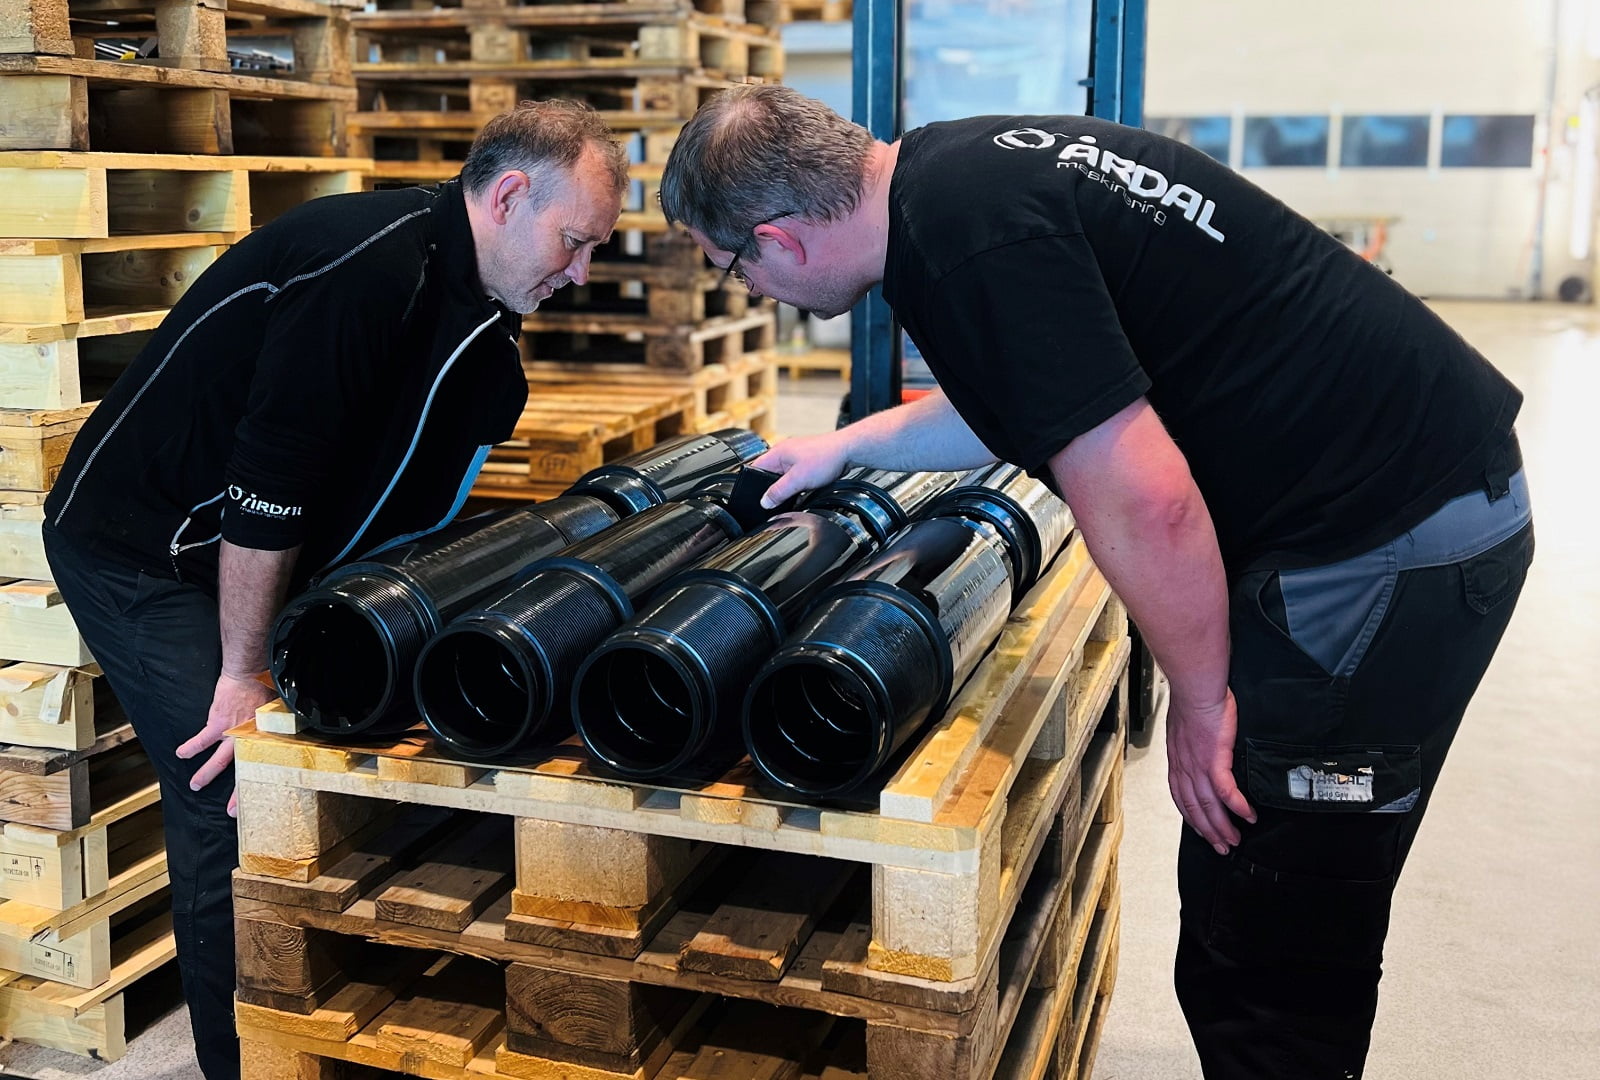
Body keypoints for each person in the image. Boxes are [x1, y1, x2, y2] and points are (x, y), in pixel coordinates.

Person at [659, 85, 1533, 1079]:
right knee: (1252, 914)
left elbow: (1147, 502)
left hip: (1387, 539)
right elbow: (1036, 388)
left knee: (1269, 936)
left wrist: (1200, 698)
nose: (749, 290)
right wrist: (844, 447)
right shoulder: (952, 177)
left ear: (778, 238)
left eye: (731, 265)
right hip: (1404, 495)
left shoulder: (967, 242)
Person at [41, 100, 627, 1080]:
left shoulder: (481, 320)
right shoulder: (365, 267)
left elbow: (410, 501)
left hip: (262, 547)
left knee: (342, 754)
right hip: (146, 546)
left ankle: (335, 1031)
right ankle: (242, 1065)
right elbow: (267, 489)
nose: (582, 272)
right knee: (234, 788)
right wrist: (244, 673)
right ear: (510, 197)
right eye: (576, 241)